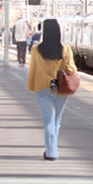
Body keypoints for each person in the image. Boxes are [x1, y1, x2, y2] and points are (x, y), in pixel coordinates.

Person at [27, 19, 77, 161]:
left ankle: (52, 151)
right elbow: (71, 69)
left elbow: (33, 69)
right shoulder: (65, 49)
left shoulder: (36, 49)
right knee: (56, 119)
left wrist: (31, 85)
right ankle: (52, 149)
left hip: (42, 88)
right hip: (60, 88)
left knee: (48, 120)